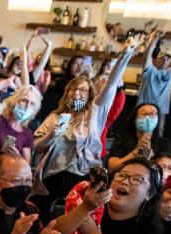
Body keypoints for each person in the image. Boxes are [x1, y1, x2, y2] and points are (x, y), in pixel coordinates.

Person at [32, 38, 135, 218]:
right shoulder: (55, 116)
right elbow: (36, 147)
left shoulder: (95, 113)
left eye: (83, 90)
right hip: (51, 178)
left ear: (90, 95)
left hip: (81, 176)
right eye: (74, 89)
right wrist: (51, 135)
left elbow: (111, 85)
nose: (77, 93)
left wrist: (125, 54)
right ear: (67, 93)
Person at [137, 28, 171, 133]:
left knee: (158, 134)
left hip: (160, 111)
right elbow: (148, 54)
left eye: (168, 58)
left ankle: (153, 150)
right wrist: (155, 38)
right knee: (141, 133)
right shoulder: (150, 70)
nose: (165, 60)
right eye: (162, 58)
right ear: (156, 60)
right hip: (144, 108)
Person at [108, 102, 171, 173]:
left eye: (152, 114)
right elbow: (112, 167)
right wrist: (135, 153)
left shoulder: (163, 143)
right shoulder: (122, 140)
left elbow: (164, 170)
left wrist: (147, 154)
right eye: (143, 113)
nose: (147, 117)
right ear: (135, 119)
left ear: (157, 119)